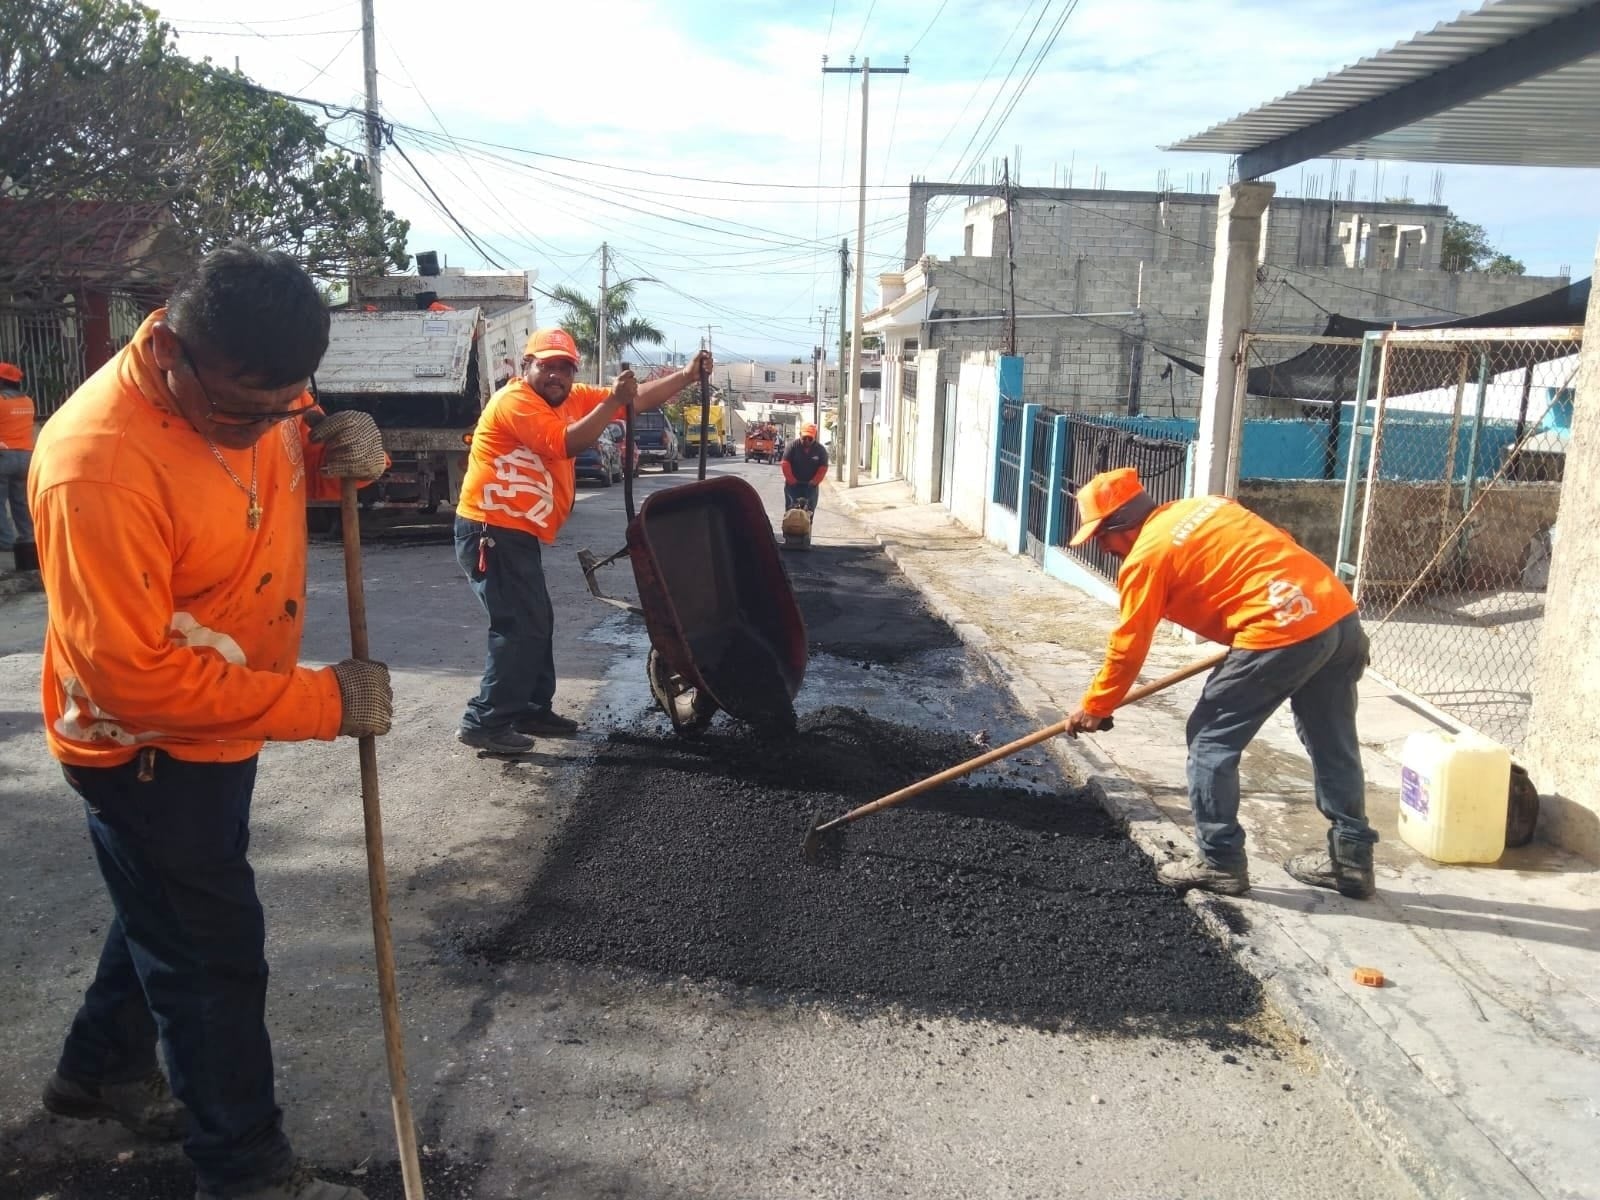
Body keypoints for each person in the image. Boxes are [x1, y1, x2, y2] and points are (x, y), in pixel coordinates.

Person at [28, 243, 393, 1200]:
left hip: (221, 721)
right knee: (210, 960)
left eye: (288, 404)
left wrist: (338, 451)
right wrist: (322, 700)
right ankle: (243, 1172)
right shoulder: (99, 466)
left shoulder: (252, 392)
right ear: (171, 351)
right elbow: (130, 683)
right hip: (142, 748)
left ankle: (96, 1072)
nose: (262, 427)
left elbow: (271, 462)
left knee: (162, 908)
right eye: (240, 412)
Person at [1063, 467, 1377, 900]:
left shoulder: (1146, 558)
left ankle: (1219, 861)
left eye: (1102, 535)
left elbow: (1128, 646)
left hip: (1279, 630)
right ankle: (1352, 860)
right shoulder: (1209, 506)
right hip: (1336, 614)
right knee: (1332, 739)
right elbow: (1277, 543)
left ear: (1124, 524)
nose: (1102, 547)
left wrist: (1097, 706)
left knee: (1210, 741)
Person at [454, 328, 712, 755]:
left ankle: (531, 708)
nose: (556, 375)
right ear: (527, 366)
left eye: (565, 368)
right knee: (519, 626)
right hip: (490, 529)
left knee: (537, 621)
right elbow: (565, 443)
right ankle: (485, 720)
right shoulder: (515, 401)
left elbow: (635, 400)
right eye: (547, 366)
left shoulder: (570, 398)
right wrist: (612, 402)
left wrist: (685, 375)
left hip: (515, 532)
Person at [0, 360, 35, 569]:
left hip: (4, 456)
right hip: (26, 456)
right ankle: (27, 537)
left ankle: (5, 541)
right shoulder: (28, 402)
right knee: (20, 502)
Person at [781, 422, 828, 511]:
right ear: (800, 435)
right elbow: (785, 464)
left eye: (810, 438)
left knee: (809, 511)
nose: (807, 440)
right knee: (791, 511)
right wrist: (791, 480)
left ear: (814, 437)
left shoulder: (820, 450)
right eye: (804, 438)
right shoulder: (792, 447)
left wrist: (814, 481)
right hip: (793, 485)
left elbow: (823, 468)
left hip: (811, 486)